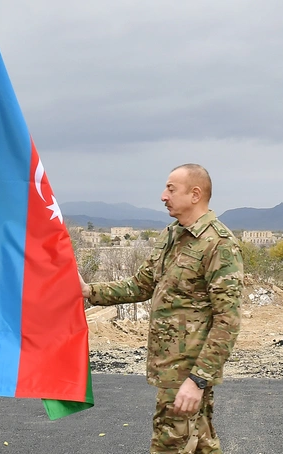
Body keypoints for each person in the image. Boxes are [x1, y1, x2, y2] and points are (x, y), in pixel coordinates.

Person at [79, 164, 243, 453]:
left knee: (169, 445)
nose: (162, 196)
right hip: (170, 369)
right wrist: (90, 292)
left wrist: (198, 379)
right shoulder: (172, 235)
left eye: (170, 189)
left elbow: (226, 320)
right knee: (201, 444)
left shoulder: (218, 244)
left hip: (187, 371)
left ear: (195, 194)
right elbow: (141, 284)